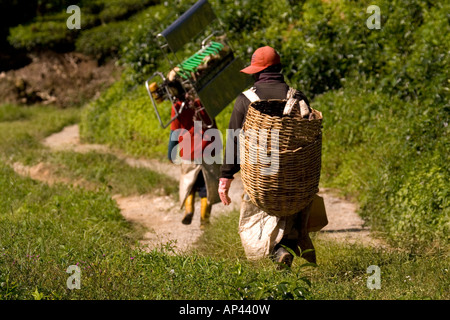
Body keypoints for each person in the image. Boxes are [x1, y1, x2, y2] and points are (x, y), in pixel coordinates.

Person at [218, 46, 316, 267]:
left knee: (254, 225)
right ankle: (285, 252)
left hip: (261, 179)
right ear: (278, 69)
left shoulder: (245, 99)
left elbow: (234, 139)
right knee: (290, 220)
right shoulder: (298, 97)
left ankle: (278, 253)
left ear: (258, 72)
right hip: (295, 180)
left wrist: (225, 177)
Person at [167, 80, 221, 229]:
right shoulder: (204, 104)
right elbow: (213, 127)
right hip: (208, 150)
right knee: (207, 186)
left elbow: (174, 132)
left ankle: (189, 209)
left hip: (188, 151)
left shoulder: (177, 107)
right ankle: (204, 221)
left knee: (189, 183)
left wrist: (170, 152)